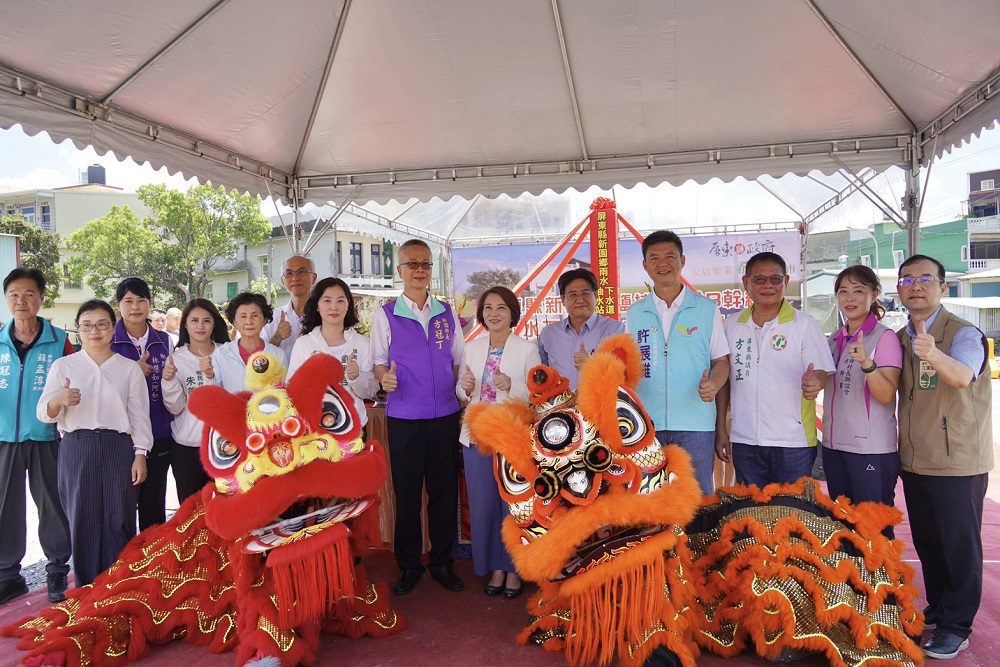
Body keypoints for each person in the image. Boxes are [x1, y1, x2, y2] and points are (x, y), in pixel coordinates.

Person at [895, 254, 993, 660]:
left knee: (959, 545)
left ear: (943, 287)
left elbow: (961, 375)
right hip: (916, 459)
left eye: (925, 279)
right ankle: (938, 609)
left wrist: (932, 353)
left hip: (957, 460)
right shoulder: (901, 334)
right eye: (907, 280)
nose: (915, 286)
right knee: (929, 542)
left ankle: (957, 626)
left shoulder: (963, 333)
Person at [371, 239, 465, 596]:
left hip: (444, 415)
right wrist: (384, 378)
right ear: (400, 271)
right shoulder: (386, 313)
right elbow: (378, 360)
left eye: (425, 264)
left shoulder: (446, 311)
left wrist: (462, 393)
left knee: (444, 493)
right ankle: (409, 565)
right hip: (405, 417)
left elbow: (458, 360)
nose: (420, 270)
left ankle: (442, 562)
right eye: (412, 264)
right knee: (408, 495)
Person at [37, 299, 151, 587]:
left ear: (113, 329)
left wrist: (140, 454)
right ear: (78, 330)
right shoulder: (64, 366)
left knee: (119, 516)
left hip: (118, 447)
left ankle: (117, 589)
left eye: (102, 324)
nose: (95, 331)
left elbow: (139, 416)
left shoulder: (128, 368)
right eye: (87, 325)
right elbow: (44, 414)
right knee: (82, 518)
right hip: (78, 446)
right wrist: (58, 400)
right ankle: (87, 592)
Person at [624, 231, 730, 495]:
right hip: (647, 425)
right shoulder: (635, 313)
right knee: (651, 499)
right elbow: (627, 365)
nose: (663, 263)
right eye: (654, 258)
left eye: (670, 256)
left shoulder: (706, 309)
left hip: (695, 425)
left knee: (696, 498)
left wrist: (713, 385)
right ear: (645, 266)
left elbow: (722, 361)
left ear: (682, 260)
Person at [716, 252, 834, 487]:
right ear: (746, 282)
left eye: (775, 279)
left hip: (793, 442)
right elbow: (725, 381)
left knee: (791, 515)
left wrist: (815, 383)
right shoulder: (731, 325)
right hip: (745, 439)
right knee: (751, 515)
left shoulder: (804, 324)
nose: (768, 285)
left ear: (786, 282)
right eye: (759, 279)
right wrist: (721, 428)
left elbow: (821, 372)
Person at [456, 286, 539, 599]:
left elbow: (535, 393)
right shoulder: (472, 348)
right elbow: (462, 393)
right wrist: (464, 388)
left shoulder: (527, 348)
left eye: (501, 308)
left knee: (513, 504)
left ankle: (514, 568)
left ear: (512, 313)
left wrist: (513, 384)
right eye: (488, 308)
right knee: (483, 505)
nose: (494, 313)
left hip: (512, 435)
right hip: (477, 434)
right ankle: (495, 568)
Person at [0, 268, 72, 604]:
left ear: (42, 298)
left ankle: (57, 569)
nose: (21, 300)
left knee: (52, 505)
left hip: (47, 438)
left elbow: (75, 388)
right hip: (4, 438)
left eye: (29, 293)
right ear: (6, 299)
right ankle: (8, 575)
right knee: (4, 508)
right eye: (14, 293)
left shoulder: (60, 341)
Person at [821, 265, 902, 514]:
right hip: (834, 447)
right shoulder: (834, 339)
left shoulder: (884, 337)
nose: (849, 298)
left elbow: (886, 394)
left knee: (873, 527)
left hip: (870, 450)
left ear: (874, 294)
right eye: (843, 291)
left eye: (858, 290)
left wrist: (867, 364)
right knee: (843, 525)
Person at [110, 278, 175, 531]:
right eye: (128, 301)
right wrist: (131, 372)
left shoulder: (165, 340)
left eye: (141, 301)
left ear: (149, 305)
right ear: (118, 305)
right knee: (122, 504)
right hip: (122, 434)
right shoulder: (109, 341)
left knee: (154, 503)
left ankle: (153, 563)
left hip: (159, 431)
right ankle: (124, 562)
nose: (135, 307)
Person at [161, 299, 229, 503]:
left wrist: (210, 375)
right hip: (187, 446)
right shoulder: (176, 358)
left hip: (223, 445)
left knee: (224, 507)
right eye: (195, 320)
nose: (200, 326)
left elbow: (230, 400)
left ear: (214, 324)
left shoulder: (226, 353)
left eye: (206, 320)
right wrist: (169, 380)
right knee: (190, 510)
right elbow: (175, 407)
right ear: (185, 325)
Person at [288, 278, 377, 428]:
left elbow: (370, 392)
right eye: (327, 301)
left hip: (354, 428)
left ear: (349, 305)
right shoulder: (304, 344)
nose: (334, 307)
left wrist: (356, 377)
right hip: (314, 428)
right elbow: (292, 391)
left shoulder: (362, 343)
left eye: (340, 301)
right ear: (317, 305)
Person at [537, 268, 624, 390]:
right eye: (573, 295)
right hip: (560, 407)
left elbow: (624, 374)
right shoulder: (549, 334)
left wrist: (592, 365)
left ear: (595, 295)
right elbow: (539, 373)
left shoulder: (615, 330)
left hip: (600, 405)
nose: (580, 300)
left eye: (585, 293)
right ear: (563, 299)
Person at [213, 292, 287, 393]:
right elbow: (214, 391)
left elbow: (283, 392)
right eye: (243, 316)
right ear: (234, 321)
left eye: (254, 315)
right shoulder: (221, 353)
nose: (249, 321)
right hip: (231, 408)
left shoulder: (278, 355)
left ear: (264, 320)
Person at [261, 255, 317, 359]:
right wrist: (277, 337)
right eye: (289, 273)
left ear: (313, 278)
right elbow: (260, 359)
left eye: (301, 272)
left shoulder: (324, 316)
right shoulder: (272, 318)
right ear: (282, 280)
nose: (295, 278)